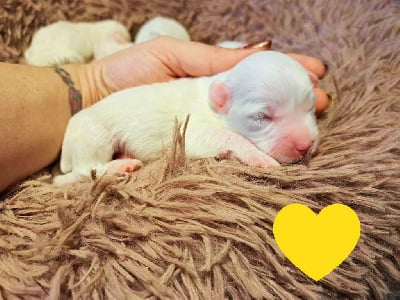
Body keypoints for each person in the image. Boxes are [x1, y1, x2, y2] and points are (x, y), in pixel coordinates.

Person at [0, 37, 329, 193]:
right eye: (265, 118)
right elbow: (198, 137)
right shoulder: (202, 101)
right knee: (90, 126)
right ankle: (81, 173)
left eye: (305, 109)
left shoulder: (230, 91)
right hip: (88, 128)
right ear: (222, 100)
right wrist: (247, 150)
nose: (304, 139)